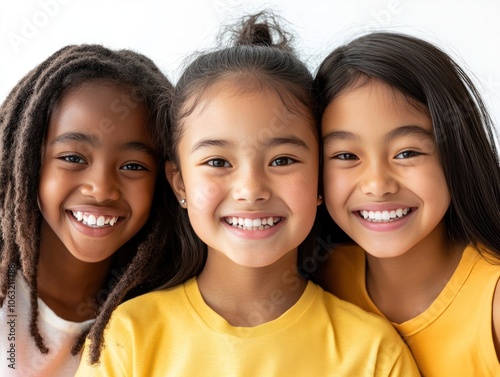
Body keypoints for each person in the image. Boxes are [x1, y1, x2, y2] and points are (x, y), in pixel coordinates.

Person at [76, 12, 420, 377]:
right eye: (218, 161)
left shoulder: (373, 353)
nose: (251, 189)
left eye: (282, 160)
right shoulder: (127, 336)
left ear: (320, 179)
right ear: (180, 184)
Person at [315, 31, 500, 376]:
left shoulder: (492, 303)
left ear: (455, 154)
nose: (378, 185)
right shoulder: (316, 277)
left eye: (407, 153)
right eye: (345, 155)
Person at [0, 44, 177, 376]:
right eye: (73, 158)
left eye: (134, 166)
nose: (102, 188)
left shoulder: (160, 319)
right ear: (26, 160)